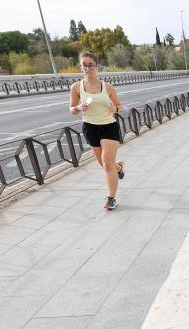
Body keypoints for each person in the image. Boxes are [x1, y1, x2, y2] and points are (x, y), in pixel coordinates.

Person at [69, 51, 126, 210]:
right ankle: (119, 168)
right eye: (84, 65)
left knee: (107, 163)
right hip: (90, 127)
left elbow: (119, 106)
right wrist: (78, 108)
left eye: (91, 65)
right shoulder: (76, 87)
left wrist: (115, 107)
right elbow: (72, 109)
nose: (88, 68)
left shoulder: (106, 86)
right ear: (81, 67)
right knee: (104, 164)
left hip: (109, 126)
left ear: (96, 66)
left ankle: (111, 198)